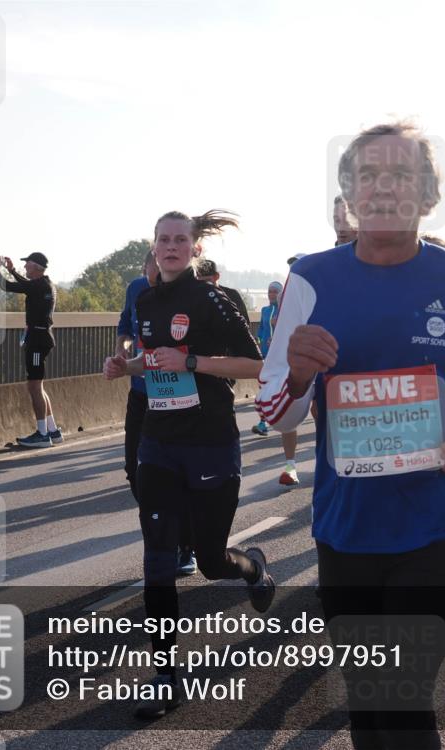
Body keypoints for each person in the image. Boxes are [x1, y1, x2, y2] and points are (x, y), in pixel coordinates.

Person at [257, 121, 445, 749]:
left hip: (434, 524)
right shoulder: (311, 280)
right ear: (349, 193)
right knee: (367, 709)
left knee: (405, 707)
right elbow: (278, 415)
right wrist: (299, 372)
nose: (384, 188)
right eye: (369, 176)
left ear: (427, 196)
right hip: (344, 525)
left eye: (401, 175)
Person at [103, 209, 273, 719]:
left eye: (181, 239)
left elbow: (256, 365)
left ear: (194, 249)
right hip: (159, 443)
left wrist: (194, 362)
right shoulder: (147, 299)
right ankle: (165, 677)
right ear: (153, 248)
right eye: (164, 239)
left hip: (210, 442)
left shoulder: (214, 300)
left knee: (209, 561)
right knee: (157, 562)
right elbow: (154, 360)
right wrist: (126, 365)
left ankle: (253, 568)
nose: (172, 246)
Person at [116, 251, 197, 576]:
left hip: (177, 399)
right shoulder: (137, 289)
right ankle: (167, 529)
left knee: (176, 475)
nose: (157, 271)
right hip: (141, 393)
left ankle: (182, 544)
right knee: (134, 472)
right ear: (146, 267)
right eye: (152, 266)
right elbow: (124, 323)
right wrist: (121, 351)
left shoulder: (189, 294)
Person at [0, 252, 62, 449]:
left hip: (38, 340)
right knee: (39, 386)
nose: (25, 267)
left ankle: (42, 434)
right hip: (43, 337)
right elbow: (26, 285)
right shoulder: (45, 285)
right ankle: (52, 430)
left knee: (34, 387)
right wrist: (12, 270)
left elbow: (6, 286)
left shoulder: (37, 286)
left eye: (27, 264)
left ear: (36, 266)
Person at [252, 281, 283, 436]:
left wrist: (277, 331)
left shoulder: (284, 311)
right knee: (263, 389)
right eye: (269, 291)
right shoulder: (265, 310)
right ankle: (262, 423)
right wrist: (258, 341)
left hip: (280, 357)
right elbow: (262, 330)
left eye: (274, 291)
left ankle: (283, 420)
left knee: (278, 390)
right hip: (265, 355)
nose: (271, 294)